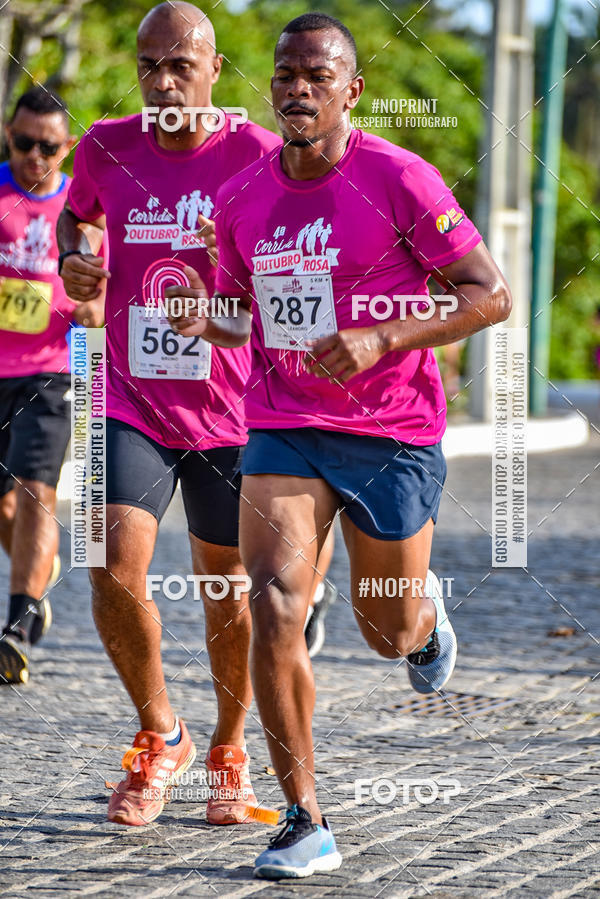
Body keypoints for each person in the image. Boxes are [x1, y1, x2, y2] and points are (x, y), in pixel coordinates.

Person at [167, 12, 512, 878]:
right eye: (285, 76)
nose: (297, 90)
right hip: (284, 423)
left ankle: (424, 617)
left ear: (350, 91)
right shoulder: (241, 196)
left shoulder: (399, 177)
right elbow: (246, 315)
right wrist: (204, 317)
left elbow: (490, 295)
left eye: (317, 77)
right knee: (277, 601)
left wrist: (382, 338)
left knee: (384, 630)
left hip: (391, 430)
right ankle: (304, 816)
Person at [57, 1, 334, 830]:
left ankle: (227, 747)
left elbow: (301, 268)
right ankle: (160, 730)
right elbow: (79, 211)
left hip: (232, 410)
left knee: (227, 594)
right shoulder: (106, 144)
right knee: (108, 560)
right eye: (149, 65)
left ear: (216, 70)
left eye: (181, 64)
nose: (163, 80)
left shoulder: (260, 154)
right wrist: (76, 255)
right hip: (130, 397)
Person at [0, 87, 103, 686]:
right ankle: (36, 571)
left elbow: (108, 295)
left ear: (67, 148)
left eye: (49, 147)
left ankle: (16, 628)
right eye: (23, 142)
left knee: (37, 489)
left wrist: (95, 310)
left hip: (56, 369)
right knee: (6, 502)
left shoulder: (84, 210)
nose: (35, 157)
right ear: (8, 134)